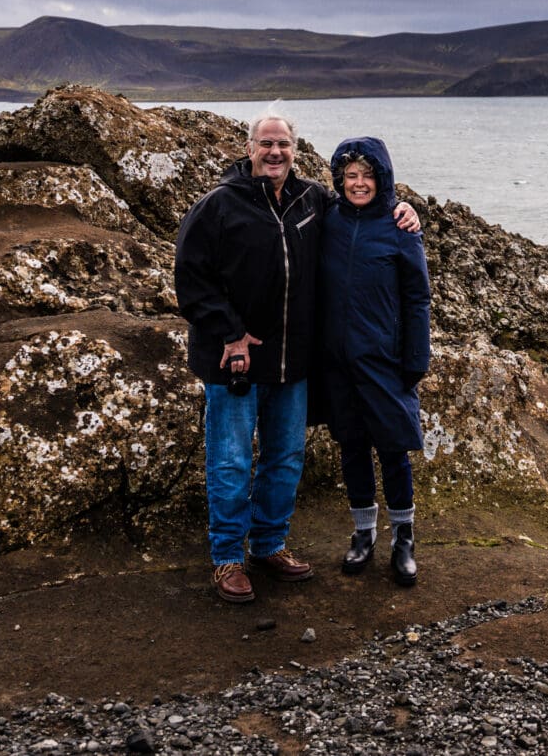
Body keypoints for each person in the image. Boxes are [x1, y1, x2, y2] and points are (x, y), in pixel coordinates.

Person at [173, 109, 418, 605]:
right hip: (234, 358)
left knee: (285, 459)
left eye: (282, 144)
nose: (274, 152)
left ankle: (268, 545)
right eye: (265, 143)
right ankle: (227, 559)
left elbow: (363, 207)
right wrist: (231, 332)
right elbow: (190, 276)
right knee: (231, 462)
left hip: (293, 359)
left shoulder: (314, 200)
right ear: (249, 148)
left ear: (294, 149)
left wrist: (408, 209)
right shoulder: (219, 204)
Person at [315, 136, 432, 588]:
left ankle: (403, 539)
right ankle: (363, 534)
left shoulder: (400, 228)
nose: (358, 183)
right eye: (350, 176)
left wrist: (415, 359)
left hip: (385, 359)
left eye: (367, 175)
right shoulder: (328, 219)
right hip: (338, 362)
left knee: (392, 448)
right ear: (339, 180)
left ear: (382, 179)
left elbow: (417, 298)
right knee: (351, 446)